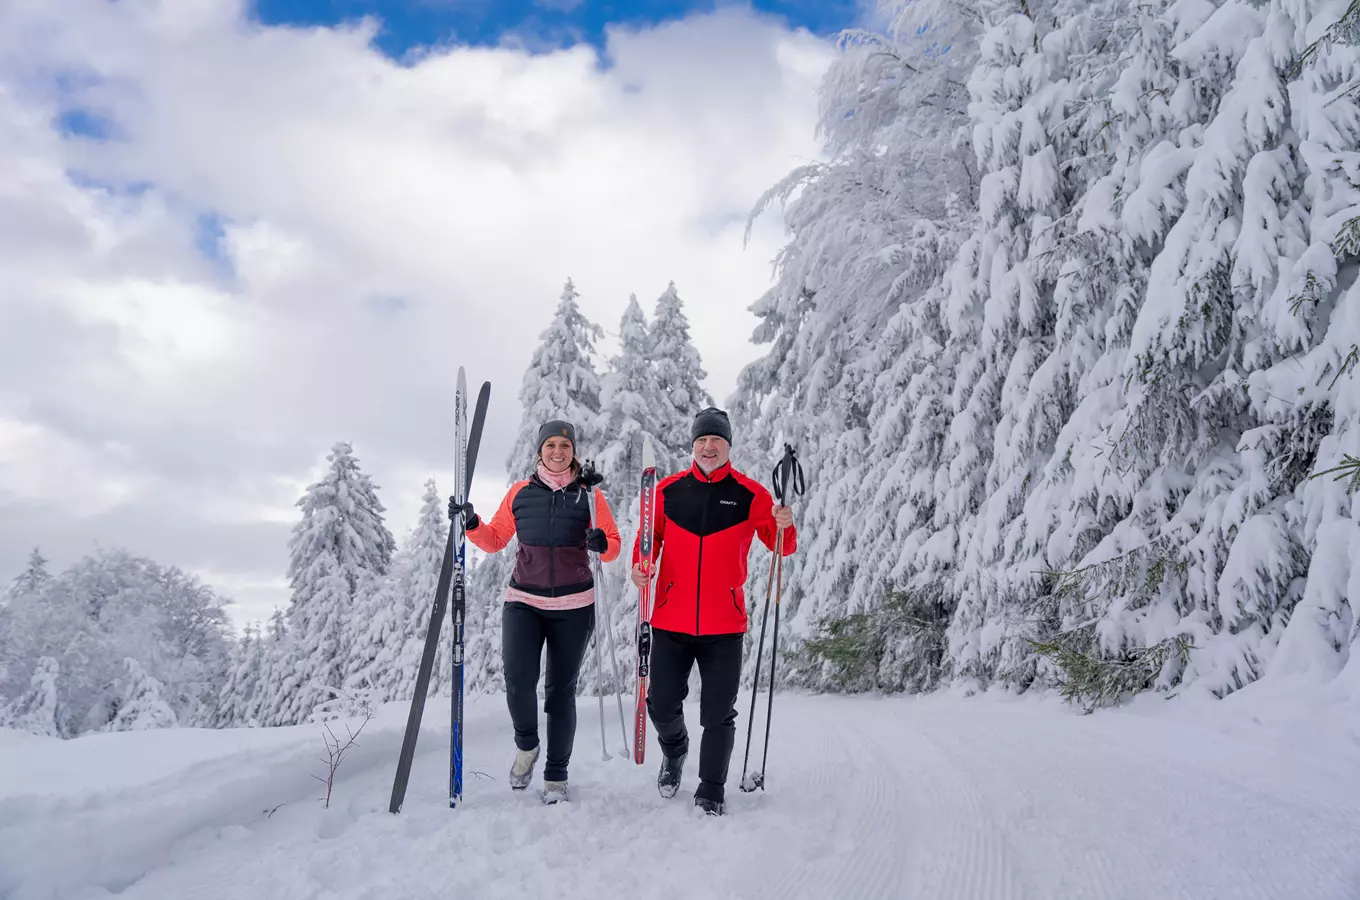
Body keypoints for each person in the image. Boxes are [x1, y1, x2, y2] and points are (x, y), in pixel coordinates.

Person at [630, 407, 796, 816]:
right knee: (660, 704)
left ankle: (711, 788)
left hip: (725, 624)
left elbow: (781, 546)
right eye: (702, 440)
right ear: (694, 445)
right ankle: (675, 750)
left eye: (716, 440)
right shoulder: (667, 491)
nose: (708, 446)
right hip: (671, 619)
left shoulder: (749, 494)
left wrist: (785, 522)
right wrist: (641, 565)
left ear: (728, 445)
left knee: (718, 712)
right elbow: (648, 537)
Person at [450, 419, 621, 804]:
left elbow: (613, 545)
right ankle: (527, 746)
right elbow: (494, 539)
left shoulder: (590, 497)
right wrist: (473, 523)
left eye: (565, 445)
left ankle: (556, 776)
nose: (558, 452)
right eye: (550, 445)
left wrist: (600, 543)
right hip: (523, 602)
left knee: (560, 693)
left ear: (573, 451)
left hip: (574, 607)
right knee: (518, 682)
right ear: (539, 451)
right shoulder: (520, 493)